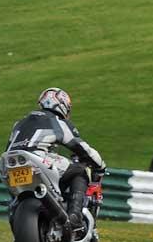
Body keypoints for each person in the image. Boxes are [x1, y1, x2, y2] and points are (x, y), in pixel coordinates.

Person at [6, 88, 106, 230]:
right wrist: (100, 165)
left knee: (15, 200)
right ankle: (75, 217)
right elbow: (81, 148)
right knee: (80, 171)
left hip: (9, 164)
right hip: (37, 159)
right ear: (61, 104)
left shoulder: (20, 122)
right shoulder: (57, 121)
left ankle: (16, 220)